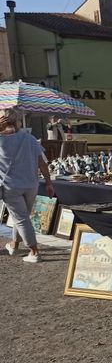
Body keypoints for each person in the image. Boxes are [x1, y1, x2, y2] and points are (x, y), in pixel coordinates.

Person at [0, 108, 54, 262]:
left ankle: (34, 252)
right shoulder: (29, 138)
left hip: (11, 187)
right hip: (31, 184)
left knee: (21, 218)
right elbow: (42, 163)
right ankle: (15, 245)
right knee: (22, 217)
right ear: (17, 121)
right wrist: (49, 183)